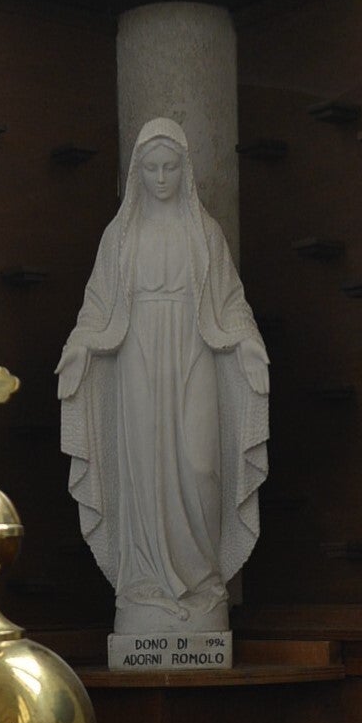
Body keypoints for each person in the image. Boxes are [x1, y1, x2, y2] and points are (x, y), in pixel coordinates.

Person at [58, 117, 269, 633]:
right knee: (144, 466)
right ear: (137, 172)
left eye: (169, 167)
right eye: (151, 168)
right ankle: (145, 583)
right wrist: (79, 344)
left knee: (200, 464)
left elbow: (230, 302)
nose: (160, 178)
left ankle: (201, 582)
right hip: (137, 355)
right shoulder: (119, 237)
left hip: (194, 350)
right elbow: (97, 305)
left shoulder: (205, 233)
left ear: (185, 169)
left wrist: (247, 342)